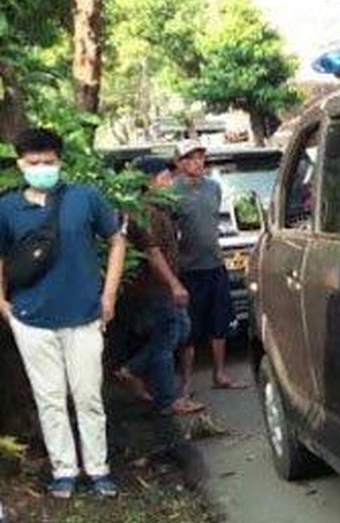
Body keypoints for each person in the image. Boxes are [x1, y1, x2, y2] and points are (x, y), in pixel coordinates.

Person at [0, 127, 126, 499]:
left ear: (60, 162)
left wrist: (109, 295)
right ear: (20, 163)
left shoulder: (84, 198)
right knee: (50, 398)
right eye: (34, 162)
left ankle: (98, 468)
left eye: (49, 162)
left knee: (88, 396)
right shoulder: (6, 207)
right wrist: (3, 303)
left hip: (85, 314)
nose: (42, 168)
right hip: (31, 320)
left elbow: (116, 240)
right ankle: (64, 470)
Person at [115, 155, 204, 416]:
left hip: (161, 286)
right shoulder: (146, 212)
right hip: (155, 287)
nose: (170, 182)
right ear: (149, 182)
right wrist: (174, 284)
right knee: (166, 339)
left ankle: (133, 371)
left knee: (179, 331)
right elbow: (153, 253)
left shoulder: (159, 208)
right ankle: (167, 398)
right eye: (165, 178)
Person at [173, 139, 244, 394]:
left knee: (220, 323)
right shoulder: (172, 191)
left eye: (200, 157)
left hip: (214, 264)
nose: (197, 163)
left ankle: (220, 373)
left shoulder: (213, 188)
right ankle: (186, 383)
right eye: (191, 158)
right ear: (180, 163)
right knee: (189, 330)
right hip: (188, 269)